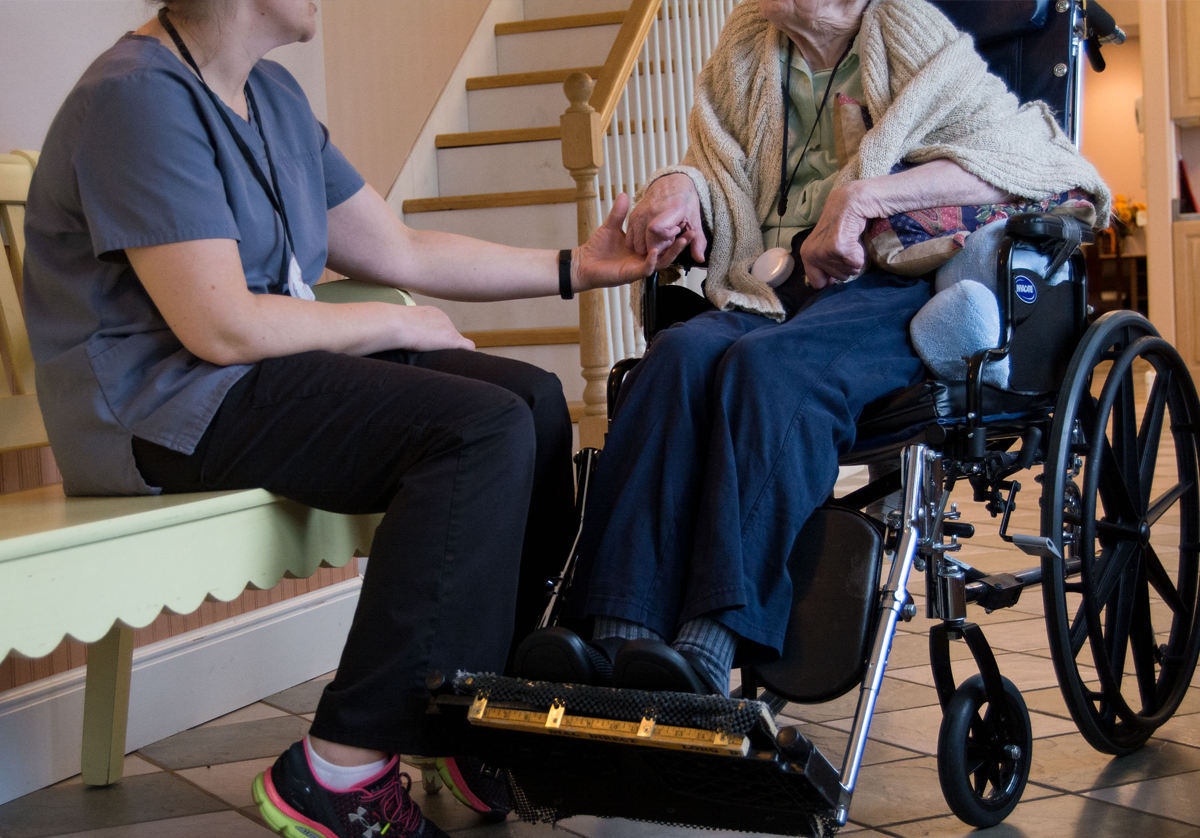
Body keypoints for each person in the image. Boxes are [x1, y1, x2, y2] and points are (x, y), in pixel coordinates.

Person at [21, 1, 659, 836]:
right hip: (157, 410)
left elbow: (400, 252)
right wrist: (399, 321)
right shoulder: (135, 98)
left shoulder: (272, 96)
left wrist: (579, 265)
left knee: (532, 402)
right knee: (476, 429)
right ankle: (341, 766)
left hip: (251, 380)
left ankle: (469, 719)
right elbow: (220, 325)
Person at [515, 0, 1109, 697]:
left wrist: (863, 200)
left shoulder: (905, 26)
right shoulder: (748, 46)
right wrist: (678, 185)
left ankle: (714, 639)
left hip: (886, 287)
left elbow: (1035, 163)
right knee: (674, 359)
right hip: (767, 289)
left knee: (768, 370)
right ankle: (620, 634)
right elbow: (723, 172)